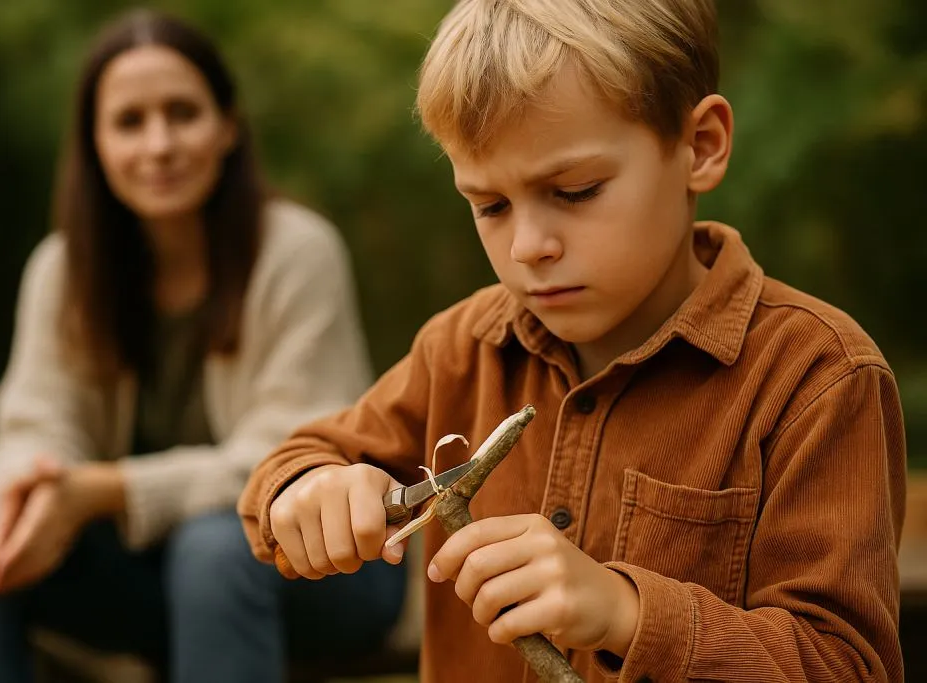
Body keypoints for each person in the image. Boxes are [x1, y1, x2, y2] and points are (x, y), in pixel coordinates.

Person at [238, 0, 907, 681]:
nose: (529, 246)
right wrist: (310, 487)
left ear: (700, 145)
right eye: (490, 206)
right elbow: (290, 468)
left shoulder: (818, 376)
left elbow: (845, 664)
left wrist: (628, 611)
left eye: (576, 190)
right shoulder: (460, 348)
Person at [0, 8, 406, 683]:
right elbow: (29, 426)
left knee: (215, 544)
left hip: (324, 563)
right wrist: (33, 491)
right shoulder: (63, 269)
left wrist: (105, 490)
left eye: (182, 113)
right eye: (129, 121)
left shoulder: (297, 252)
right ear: (94, 143)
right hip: (156, 577)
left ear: (228, 126)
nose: (158, 145)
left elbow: (292, 455)